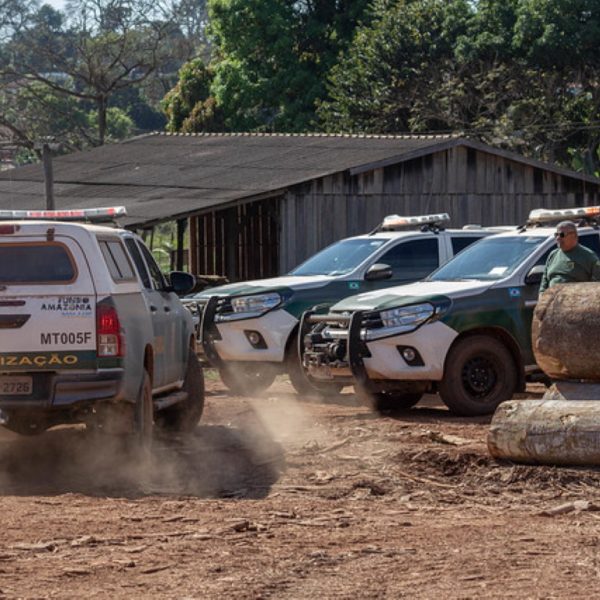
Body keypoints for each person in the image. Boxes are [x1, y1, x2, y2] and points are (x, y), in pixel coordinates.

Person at [539, 220, 600, 294]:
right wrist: (542, 294)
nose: (558, 238)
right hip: (552, 299)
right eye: (556, 234)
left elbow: (597, 285)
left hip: (575, 299)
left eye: (562, 235)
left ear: (574, 235)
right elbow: (544, 280)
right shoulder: (553, 254)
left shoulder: (588, 256)